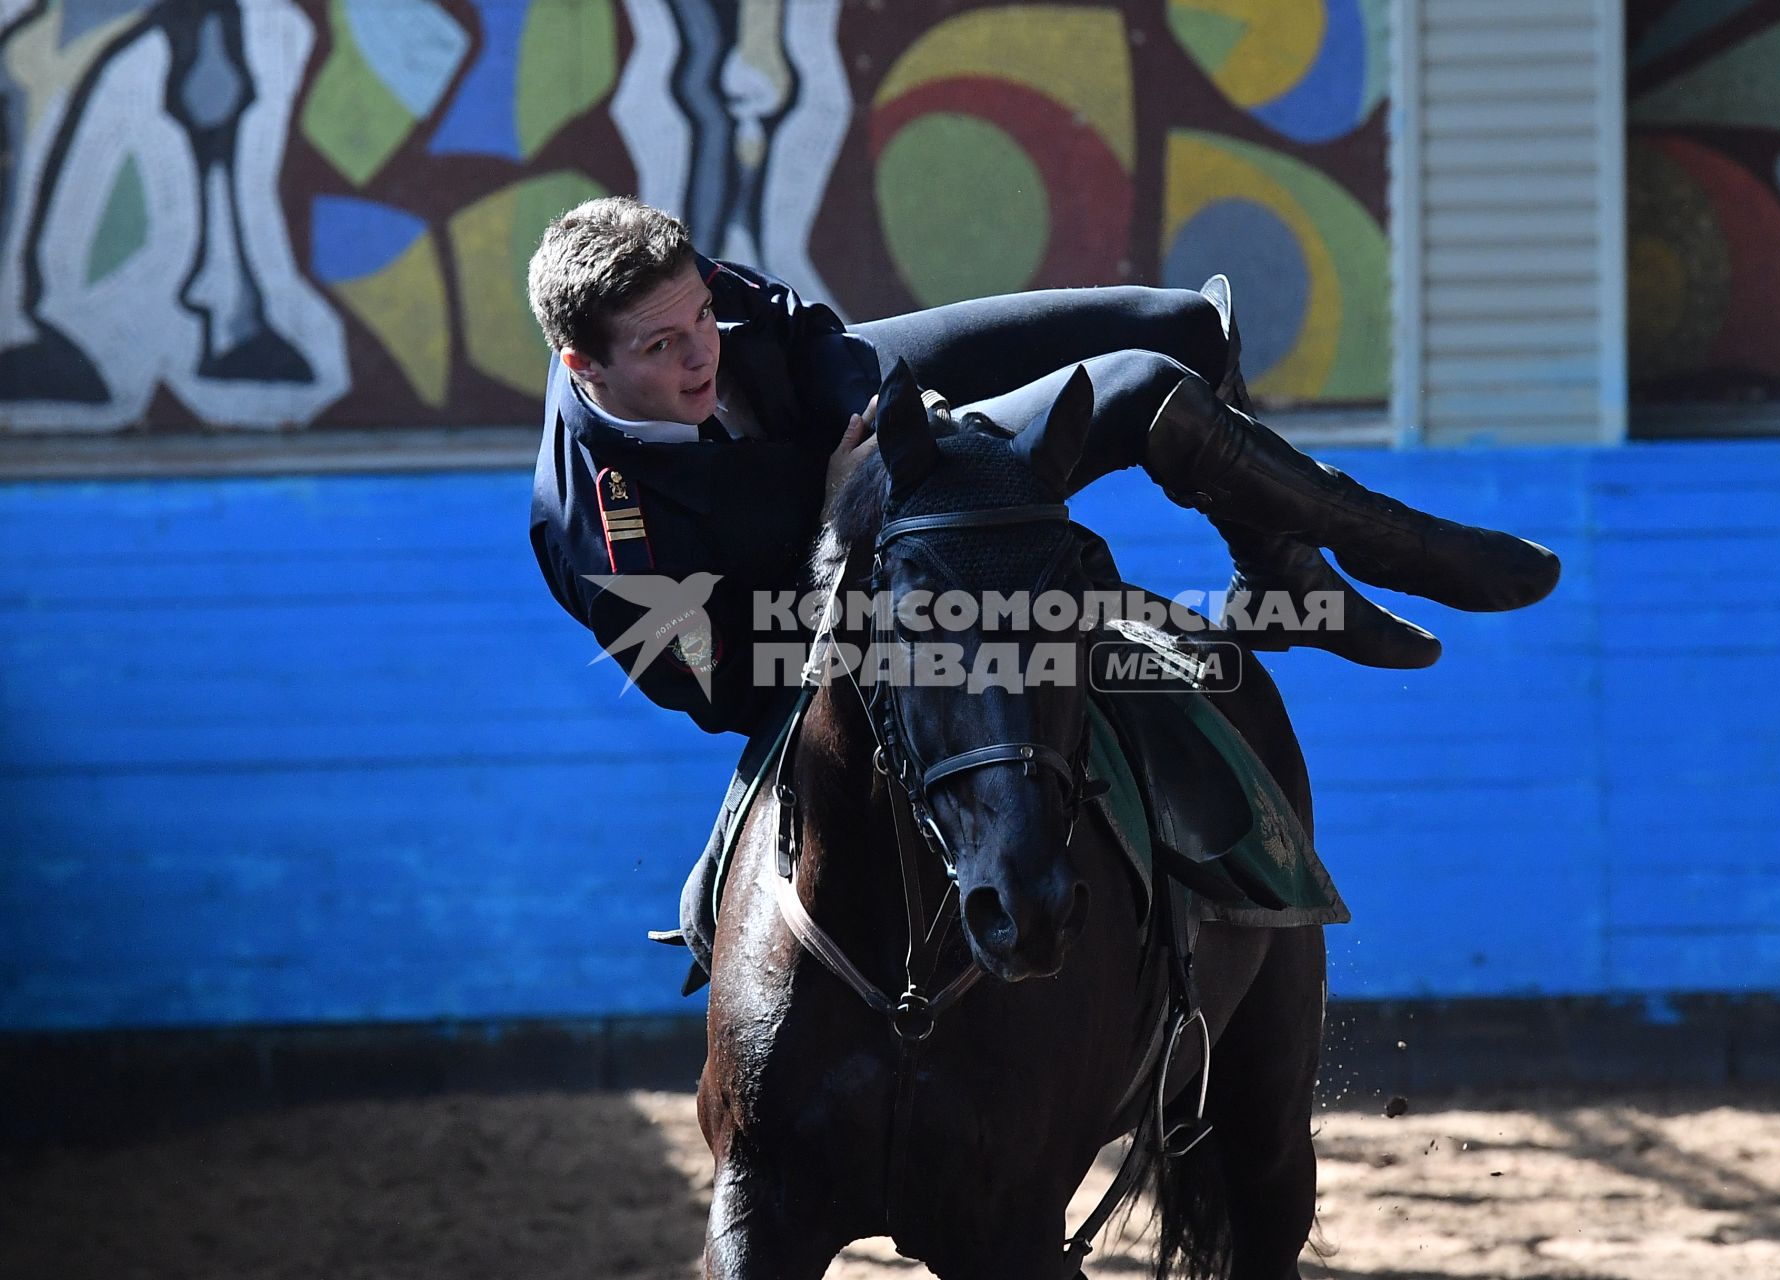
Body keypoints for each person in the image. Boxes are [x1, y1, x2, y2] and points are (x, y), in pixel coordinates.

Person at [526, 198, 1558, 981]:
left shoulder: (678, 290)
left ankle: (1275, 571)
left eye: (700, 316)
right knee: (1144, 395)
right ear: (584, 366)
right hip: (825, 578)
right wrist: (843, 519)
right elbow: (728, 689)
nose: (701, 349)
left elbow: (798, 329)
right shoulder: (600, 537)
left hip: (852, 435)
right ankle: (1419, 551)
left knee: (1180, 334)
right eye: (663, 347)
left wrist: (900, 427)